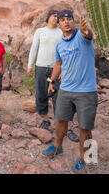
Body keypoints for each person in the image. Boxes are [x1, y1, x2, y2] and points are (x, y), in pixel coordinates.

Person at [42, 10, 98, 173]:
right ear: (58, 24)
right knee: (60, 120)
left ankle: (84, 158)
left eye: (69, 19)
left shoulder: (82, 37)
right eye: (63, 20)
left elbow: (88, 34)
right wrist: (51, 81)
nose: (66, 22)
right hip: (66, 90)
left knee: (85, 128)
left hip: (86, 92)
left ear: (73, 22)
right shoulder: (60, 44)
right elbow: (58, 64)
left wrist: (86, 30)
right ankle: (57, 146)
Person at [27, 10, 79, 142]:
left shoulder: (62, 32)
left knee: (59, 96)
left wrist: (64, 70)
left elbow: (67, 51)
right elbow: (34, 48)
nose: (56, 18)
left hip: (58, 69)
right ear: (48, 17)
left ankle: (61, 123)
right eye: (54, 16)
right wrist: (29, 65)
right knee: (41, 94)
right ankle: (45, 120)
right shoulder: (40, 31)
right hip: (41, 67)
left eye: (58, 17)